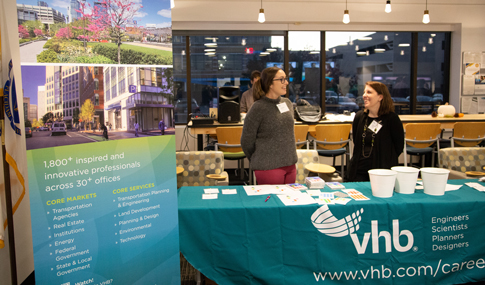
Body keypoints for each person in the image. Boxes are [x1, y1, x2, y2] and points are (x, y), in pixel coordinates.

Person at [241, 67, 297, 185]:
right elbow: (246, 141)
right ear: (270, 83)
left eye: (286, 79)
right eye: (282, 79)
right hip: (268, 166)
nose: (286, 82)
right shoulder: (258, 108)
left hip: (290, 165)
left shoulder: (287, 103)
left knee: (290, 202)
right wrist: (259, 158)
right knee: (272, 202)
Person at [347, 81, 404, 182]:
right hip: (358, 171)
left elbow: (398, 147)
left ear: (380, 97)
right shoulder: (360, 117)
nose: (364, 95)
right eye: (364, 92)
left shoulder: (391, 119)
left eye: (369, 92)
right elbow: (357, 142)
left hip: (382, 173)